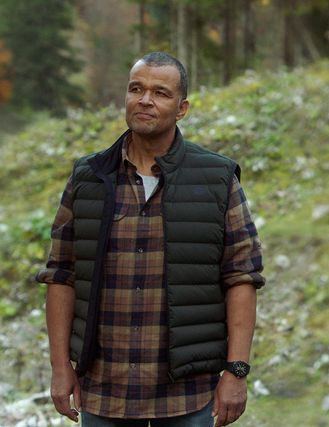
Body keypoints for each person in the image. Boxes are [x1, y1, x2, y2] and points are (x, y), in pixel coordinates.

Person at [37, 52, 265, 427]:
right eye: (136, 89)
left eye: (160, 92)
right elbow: (61, 274)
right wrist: (60, 366)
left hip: (188, 393)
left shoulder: (217, 179)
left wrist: (236, 371)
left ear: (182, 108)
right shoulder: (88, 177)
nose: (145, 100)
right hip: (104, 391)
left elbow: (242, 276)